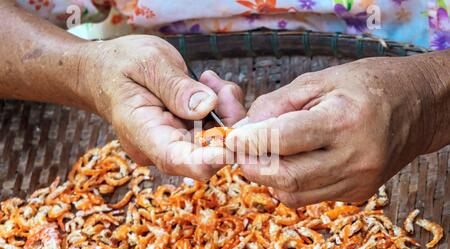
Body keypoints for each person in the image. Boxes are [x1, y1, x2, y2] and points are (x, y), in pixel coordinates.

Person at [1, 0, 450, 207]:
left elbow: (430, 93)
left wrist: (429, 96)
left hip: (408, 58)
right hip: (77, 57)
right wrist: (83, 70)